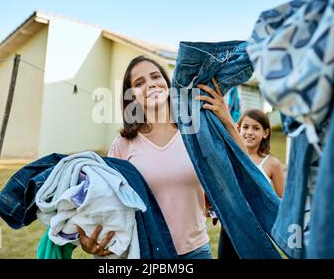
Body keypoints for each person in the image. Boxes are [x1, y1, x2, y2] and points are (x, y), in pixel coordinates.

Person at [77, 55, 246, 259]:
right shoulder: (123, 145)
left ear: (167, 83)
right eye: (139, 83)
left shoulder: (195, 133)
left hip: (196, 251)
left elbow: (243, 168)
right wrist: (88, 239)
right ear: (131, 96)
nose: (150, 84)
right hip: (146, 253)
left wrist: (227, 120)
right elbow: (106, 202)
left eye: (155, 76)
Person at [217, 108, 285, 259]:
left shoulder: (271, 163)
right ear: (238, 128)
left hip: (258, 230)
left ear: (265, 133)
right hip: (230, 229)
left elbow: (281, 201)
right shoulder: (229, 158)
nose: (249, 132)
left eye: (256, 128)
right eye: (245, 127)